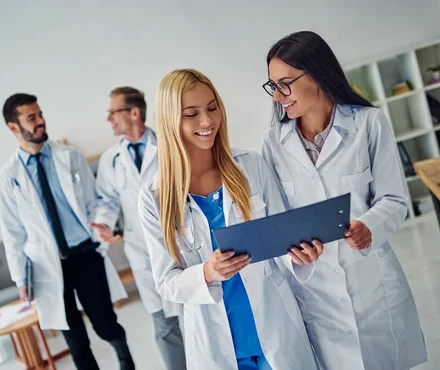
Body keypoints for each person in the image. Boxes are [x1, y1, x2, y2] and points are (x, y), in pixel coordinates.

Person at [261, 31, 427, 370]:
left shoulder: (368, 123)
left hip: (371, 284)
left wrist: (368, 226)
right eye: (272, 86)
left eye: (284, 84)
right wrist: (297, 255)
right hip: (317, 291)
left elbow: (394, 198)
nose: (278, 96)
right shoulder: (273, 143)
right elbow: (278, 217)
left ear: (316, 74)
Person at [138, 69, 322, 370]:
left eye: (212, 108)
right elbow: (166, 282)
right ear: (171, 120)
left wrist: (301, 256)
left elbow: (281, 241)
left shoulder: (251, 166)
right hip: (217, 346)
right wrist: (207, 273)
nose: (207, 121)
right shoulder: (155, 196)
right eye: (191, 114)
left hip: (275, 335)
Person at [0, 93, 135, 370]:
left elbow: (93, 202)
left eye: (40, 114)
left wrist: (101, 224)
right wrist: (21, 279)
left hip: (85, 254)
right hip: (47, 265)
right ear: (14, 128)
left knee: (105, 324)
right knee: (75, 340)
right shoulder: (8, 176)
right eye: (31, 118)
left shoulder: (68, 156)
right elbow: (13, 233)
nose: (41, 122)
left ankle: (125, 359)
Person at [92, 86, 186, 370]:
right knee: (163, 324)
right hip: (141, 250)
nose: (109, 119)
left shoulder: (171, 145)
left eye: (113, 112)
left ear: (134, 113)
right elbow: (106, 199)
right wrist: (105, 223)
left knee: (201, 313)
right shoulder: (112, 159)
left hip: (180, 242)